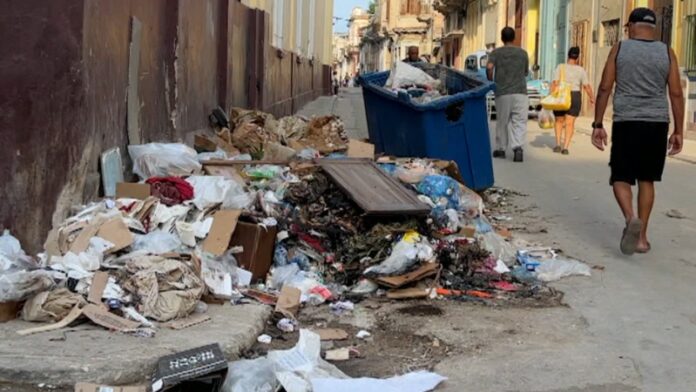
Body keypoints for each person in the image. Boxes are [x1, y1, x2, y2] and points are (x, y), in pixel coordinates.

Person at [591, 7, 684, 255]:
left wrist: (598, 123)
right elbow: (675, 92)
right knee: (647, 179)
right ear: (652, 28)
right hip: (657, 123)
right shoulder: (667, 52)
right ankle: (642, 238)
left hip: (627, 121)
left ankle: (631, 217)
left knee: (620, 177)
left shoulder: (620, 48)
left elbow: (604, 87)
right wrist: (678, 131)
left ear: (631, 26)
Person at [487, 27, 529, 162]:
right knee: (519, 121)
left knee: (502, 121)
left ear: (501, 38)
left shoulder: (496, 53)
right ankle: (518, 148)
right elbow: (526, 72)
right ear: (514, 37)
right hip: (520, 92)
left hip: (502, 92)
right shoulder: (523, 53)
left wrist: (490, 80)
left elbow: (489, 67)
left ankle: (501, 149)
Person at [551, 47, 595, 155]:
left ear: (568, 55)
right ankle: (565, 148)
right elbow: (586, 86)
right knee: (570, 123)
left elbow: (555, 83)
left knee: (559, 120)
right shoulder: (581, 70)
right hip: (574, 95)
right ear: (577, 57)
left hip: (561, 95)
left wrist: (551, 96)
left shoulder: (560, 67)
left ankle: (557, 145)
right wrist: (592, 97)